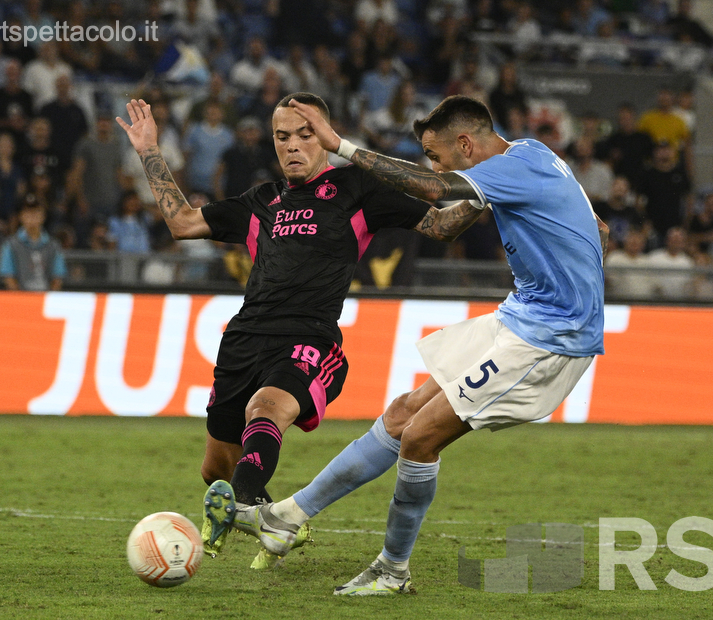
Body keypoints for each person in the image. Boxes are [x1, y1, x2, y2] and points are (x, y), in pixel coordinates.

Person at [228, 95, 608, 594]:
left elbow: (432, 190)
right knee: (402, 414)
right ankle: (286, 517)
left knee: (420, 439)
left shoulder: (509, 168)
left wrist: (341, 146)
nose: (435, 166)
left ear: (466, 144)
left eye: (436, 155)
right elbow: (598, 228)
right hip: (522, 314)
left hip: (549, 336)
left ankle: (392, 571)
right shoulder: (533, 154)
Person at [116, 92, 479, 569]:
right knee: (216, 469)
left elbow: (440, 225)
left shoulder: (356, 189)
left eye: (305, 135)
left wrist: (486, 195)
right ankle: (278, 520)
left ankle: (242, 508)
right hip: (243, 341)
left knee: (265, 409)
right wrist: (149, 150)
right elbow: (183, 224)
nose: (292, 145)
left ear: (325, 138)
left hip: (309, 339)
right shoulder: (261, 200)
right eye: (282, 136)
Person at [0, 194, 66, 291]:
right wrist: (21, 298)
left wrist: (48, 297)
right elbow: (8, 277)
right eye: (28, 213)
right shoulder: (11, 244)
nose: (32, 217)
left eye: (36, 212)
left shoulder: (53, 245)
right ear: (21, 216)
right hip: (21, 298)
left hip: (45, 297)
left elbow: (57, 278)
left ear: (43, 216)